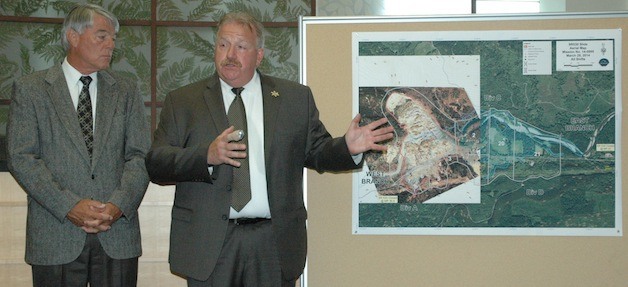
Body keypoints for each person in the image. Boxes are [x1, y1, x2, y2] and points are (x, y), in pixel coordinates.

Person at [145, 11, 394, 287]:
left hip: (272, 244)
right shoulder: (183, 101)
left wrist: (347, 148)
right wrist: (206, 156)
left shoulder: (294, 99)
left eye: (241, 47)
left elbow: (318, 151)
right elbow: (157, 163)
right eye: (223, 44)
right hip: (208, 244)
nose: (230, 54)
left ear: (259, 55)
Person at [7, 4, 150, 286]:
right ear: (73, 36)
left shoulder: (126, 90)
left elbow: (140, 155)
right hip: (55, 234)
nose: (111, 45)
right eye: (102, 36)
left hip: (116, 234)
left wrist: (118, 206)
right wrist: (69, 205)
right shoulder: (31, 89)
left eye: (113, 39)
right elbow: (21, 157)